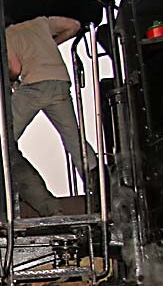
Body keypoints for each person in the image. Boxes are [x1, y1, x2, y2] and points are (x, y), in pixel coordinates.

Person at [6, 16, 98, 215]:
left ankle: (40, 201)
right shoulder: (42, 23)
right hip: (60, 82)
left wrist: (11, 78)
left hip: (33, 88)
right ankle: (101, 191)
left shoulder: (8, 33)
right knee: (74, 140)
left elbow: (15, 68)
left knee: (3, 142)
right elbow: (74, 25)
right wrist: (52, 44)